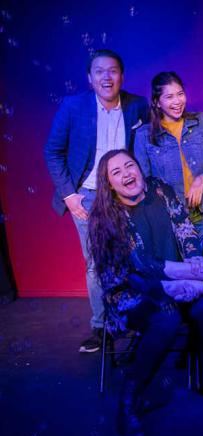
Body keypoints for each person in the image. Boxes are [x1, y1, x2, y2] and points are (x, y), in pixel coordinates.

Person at [87, 150, 203, 436]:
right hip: (135, 293)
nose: (126, 174)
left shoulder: (161, 189)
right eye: (116, 172)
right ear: (109, 185)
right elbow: (137, 266)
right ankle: (128, 402)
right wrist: (172, 284)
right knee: (167, 319)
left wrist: (194, 264)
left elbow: (186, 231)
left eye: (129, 166)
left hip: (181, 280)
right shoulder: (105, 218)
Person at [44, 49, 149, 353]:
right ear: (90, 78)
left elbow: (144, 149)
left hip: (126, 194)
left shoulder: (137, 106)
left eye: (113, 71)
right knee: (96, 263)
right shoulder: (73, 107)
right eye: (99, 72)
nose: (107, 77)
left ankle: (133, 322)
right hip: (87, 196)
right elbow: (52, 151)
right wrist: (69, 195)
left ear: (122, 76)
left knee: (135, 258)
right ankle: (101, 327)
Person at [134, 71, 203, 251]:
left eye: (180, 94)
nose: (177, 102)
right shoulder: (144, 135)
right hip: (173, 219)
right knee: (188, 272)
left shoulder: (200, 121)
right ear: (156, 102)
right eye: (169, 97)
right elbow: (145, 181)